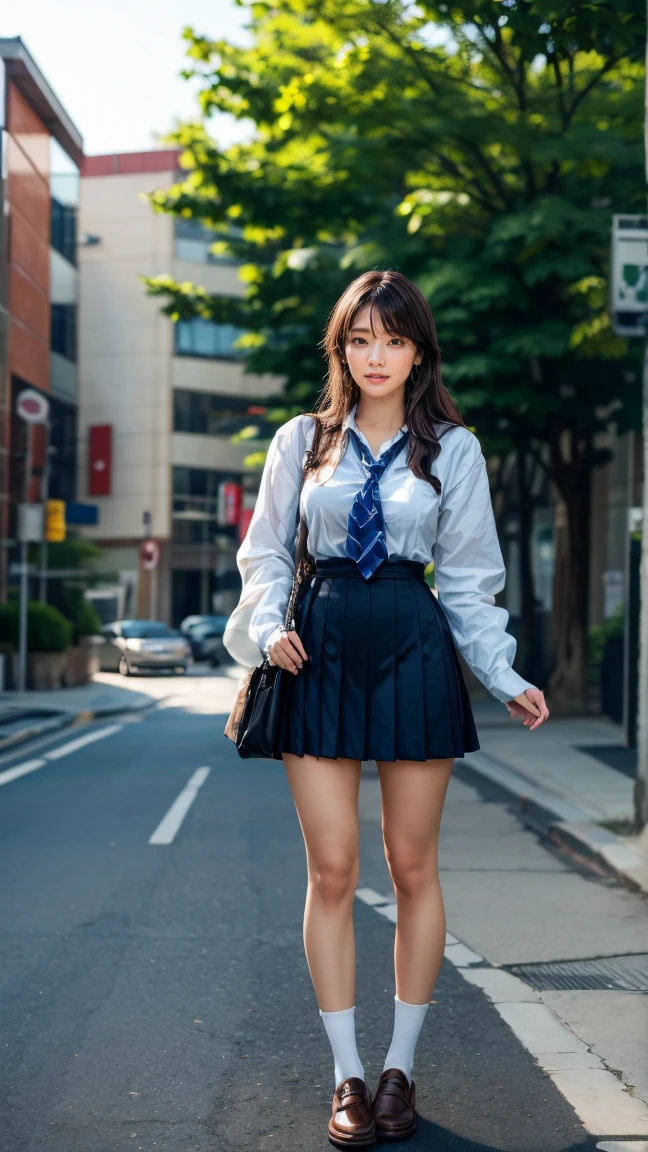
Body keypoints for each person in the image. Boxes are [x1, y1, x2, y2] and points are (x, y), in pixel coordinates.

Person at [223, 269, 550, 1147]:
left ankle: (401, 1067)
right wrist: (265, 626)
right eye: (361, 339)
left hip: (413, 644)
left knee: (412, 868)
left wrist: (504, 671)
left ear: (418, 352)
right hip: (317, 647)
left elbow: (473, 579)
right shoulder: (301, 440)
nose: (377, 356)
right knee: (332, 870)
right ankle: (348, 1075)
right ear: (341, 347)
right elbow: (265, 554)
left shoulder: (454, 449)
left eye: (394, 340)